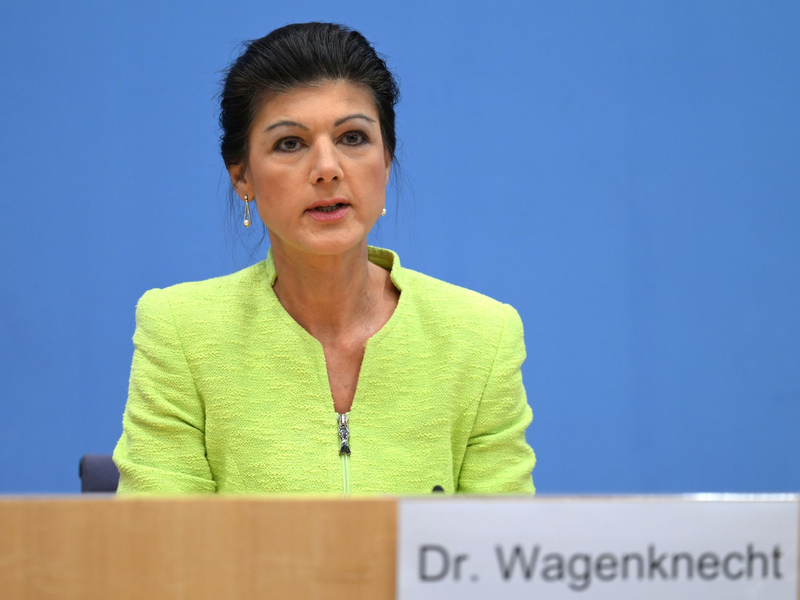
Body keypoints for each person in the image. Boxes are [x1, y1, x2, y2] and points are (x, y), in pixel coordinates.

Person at [112, 22, 536, 495]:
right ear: (242, 177)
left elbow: (501, 553)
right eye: (289, 143)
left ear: (387, 160)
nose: (328, 169)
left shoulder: (482, 338)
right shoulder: (181, 333)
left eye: (353, 137)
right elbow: (159, 552)